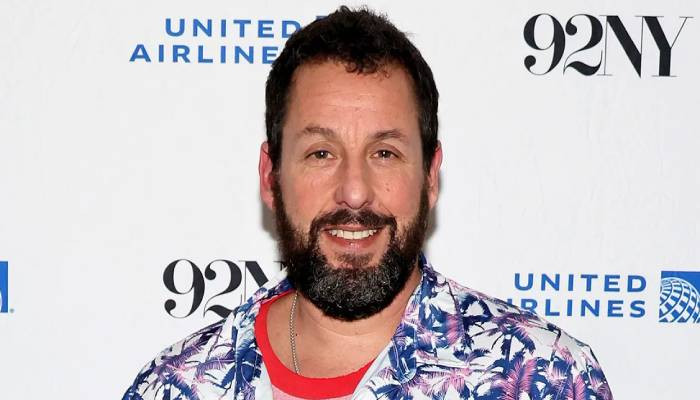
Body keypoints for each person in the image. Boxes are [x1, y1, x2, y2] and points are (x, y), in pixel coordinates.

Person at [123, 6, 613, 400]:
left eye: (384, 153)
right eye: (321, 153)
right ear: (270, 176)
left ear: (430, 176)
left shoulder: (543, 377)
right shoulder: (175, 387)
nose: (354, 191)